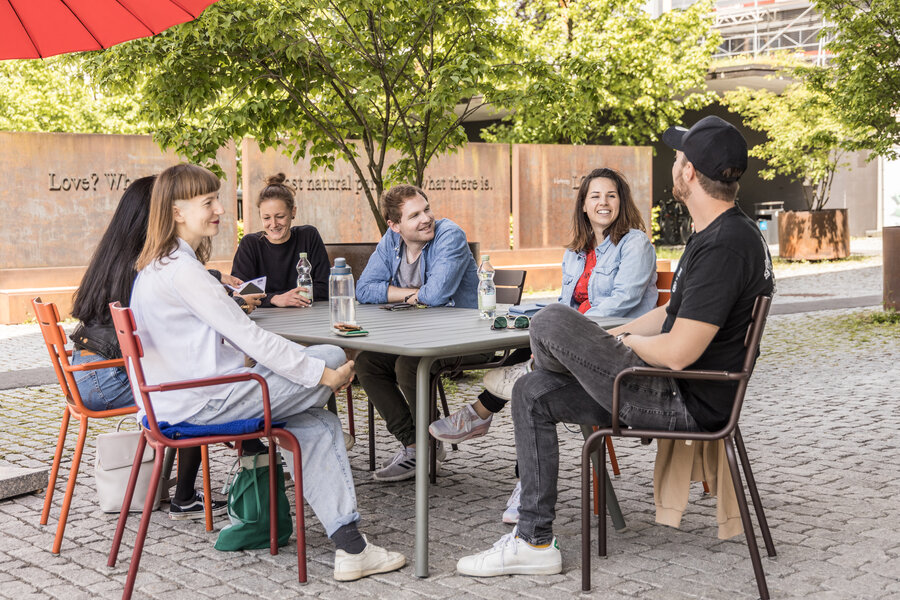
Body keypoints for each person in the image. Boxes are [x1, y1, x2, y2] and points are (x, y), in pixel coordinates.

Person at [456, 116, 774, 577]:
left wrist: (619, 344)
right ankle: (535, 541)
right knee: (532, 394)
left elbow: (680, 352)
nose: (676, 162)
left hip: (681, 397)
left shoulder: (725, 245)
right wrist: (605, 342)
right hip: (668, 385)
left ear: (687, 173)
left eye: (679, 156)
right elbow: (668, 314)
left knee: (549, 320)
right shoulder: (719, 233)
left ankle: (527, 372)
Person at [129, 163, 405, 581]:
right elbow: (248, 336)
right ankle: (351, 543)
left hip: (183, 398)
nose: (221, 208)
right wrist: (321, 377)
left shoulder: (160, 265)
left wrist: (298, 372)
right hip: (201, 404)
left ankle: (352, 548)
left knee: (314, 424)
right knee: (329, 356)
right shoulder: (183, 271)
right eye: (208, 202)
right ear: (176, 212)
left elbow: (234, 341)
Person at [429, 168, 658, 522]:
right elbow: (566, 302)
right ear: (583, 205)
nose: (603, 203)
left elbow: (623, 303)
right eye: (595, 196)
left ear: (621, 202)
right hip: (572, 343)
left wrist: (567, 329)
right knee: (530, 344)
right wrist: (532, 317)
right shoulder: (578, 252)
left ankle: (481, 413)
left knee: (532, 381)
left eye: (611, 195)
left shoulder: (635, 243)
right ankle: (500, 406)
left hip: (610, 346)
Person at [69, 175, 258, 520]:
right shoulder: (144, 265)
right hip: (104, 377)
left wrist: (212, 281)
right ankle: (201, 488)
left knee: (192, 376)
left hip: (86, 368)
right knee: (193, 381)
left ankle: (243, 460)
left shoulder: (117, 252)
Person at [354, 184, 484, 482]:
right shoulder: (391, 241)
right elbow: (364, 289)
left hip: (468, 336)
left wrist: (397, 294)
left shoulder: (449, 234)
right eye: (414, 215)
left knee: (409, 364)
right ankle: (415, 444)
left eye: (426, 209)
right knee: (367, 363)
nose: (426, 218)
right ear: (395, 225)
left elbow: (437, 294)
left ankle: (427, 444)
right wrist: (413, 295)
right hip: (419, 336)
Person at [231, 173, 330, 308]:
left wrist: (287, 298)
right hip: (264, 321)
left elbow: (325, 288)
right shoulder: (250, 244)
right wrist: (275, 299)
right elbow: (239, 293)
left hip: (308, 316)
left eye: (280, 216)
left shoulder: (308, 236)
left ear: (293, 212)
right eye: (266, 218)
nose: (273, 224)